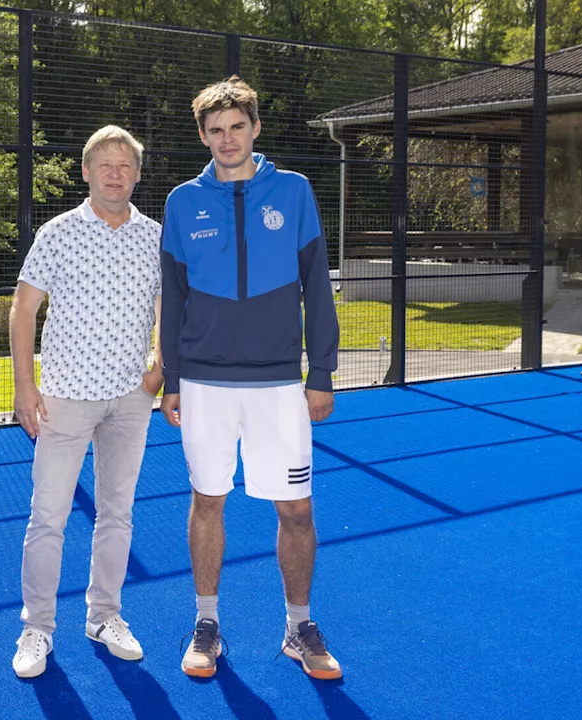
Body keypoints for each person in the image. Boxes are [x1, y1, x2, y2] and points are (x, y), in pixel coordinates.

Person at [158, 76, 343, 680]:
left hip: (278, 385)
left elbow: (317, 285)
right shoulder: (182, 202)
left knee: (295, 509)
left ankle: (298, 627)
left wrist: (322, 371)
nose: (227, 139)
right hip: (205, 384)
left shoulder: (293, 191)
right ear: (204, 136)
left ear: (255, 128)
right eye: (215, 130)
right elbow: (173, 297)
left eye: (237, 127)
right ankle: (206, 624)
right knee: (207, 500)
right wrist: (174, 380)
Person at [9, 125, 163, 679]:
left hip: (129, 401)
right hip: (64, 401)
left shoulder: (155, 237)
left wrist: (158, 371)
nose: (115, 172)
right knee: (48, 517)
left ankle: (105, 616)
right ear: (86, 172)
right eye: (104, 164)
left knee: (117, 514)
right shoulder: (57, 233)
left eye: (125, 164)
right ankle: (37, 628)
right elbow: (23, 310)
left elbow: (169, 306)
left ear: (138, 174)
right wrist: (26, 387)